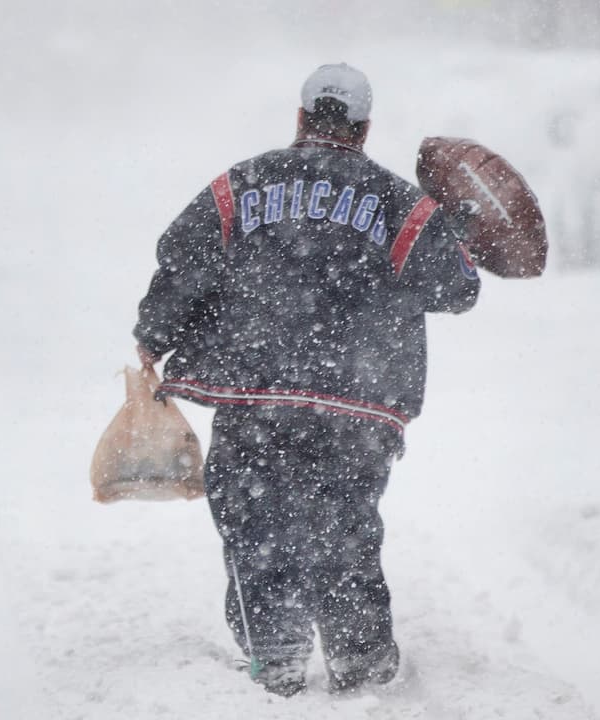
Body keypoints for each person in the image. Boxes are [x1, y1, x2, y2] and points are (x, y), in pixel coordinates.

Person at [132, 63, 481, 697]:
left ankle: (276, 645)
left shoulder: (240, 185)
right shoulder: (399, 203)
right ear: (364, 128)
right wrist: (454, 228)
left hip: (255, 391)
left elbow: (185, 258)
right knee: (345, 520)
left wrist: (155, 333)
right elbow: (456, 290)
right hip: (358, 400)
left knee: (254, 519)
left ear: (300, 117)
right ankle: (359, 652)